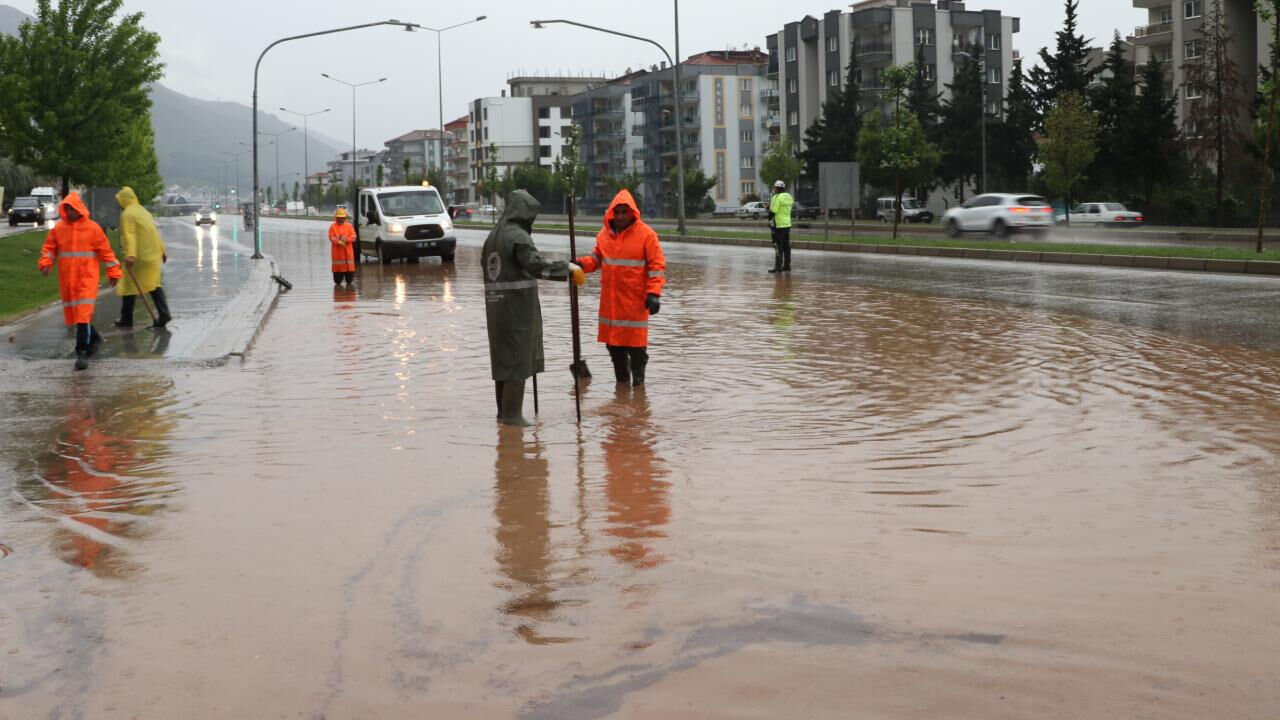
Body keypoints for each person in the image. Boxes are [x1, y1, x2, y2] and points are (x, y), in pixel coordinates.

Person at [482, 189, 585, 426]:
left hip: (496, 309)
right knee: (517, 361)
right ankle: (512, 417)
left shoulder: (493, 237)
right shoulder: (518, 237)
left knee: (503, 362)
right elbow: (535, 264)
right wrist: (567, 269)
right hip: (517, 309)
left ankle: (502, 415)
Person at [575, 189, 666, 386]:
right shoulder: (604, 236)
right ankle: (623, 390)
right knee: (615, 349)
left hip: (634, 305)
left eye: (624, 212)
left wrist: (654, 294)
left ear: (632, 212)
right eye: (616, 212)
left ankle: (638, 388)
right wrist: (581, 264)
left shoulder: (647, 235)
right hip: (612, 306)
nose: (620, 216)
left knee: (637, 351)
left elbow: (656, 267)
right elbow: (596, 259)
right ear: (611, 213)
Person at [38, 193, 122, 371]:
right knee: (78, 315)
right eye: (67, 208)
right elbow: (50, 249)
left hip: (87, 278)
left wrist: (114, 272)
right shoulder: (59, 229)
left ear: (79, 209)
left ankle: (82, 352)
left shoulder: (92, 229)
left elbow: (106, 252)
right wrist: (45, 264)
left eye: (72, 209)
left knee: (82, 313)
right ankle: (94, 338)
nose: (70, 212)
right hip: (68, 280)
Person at [114, 186, 170, 329]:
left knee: (128, 286)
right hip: (153, 254)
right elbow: (154, 232)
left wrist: (130, 255)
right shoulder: (143, 211)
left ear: (123, 200)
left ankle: (126, 319)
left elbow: (130, 235)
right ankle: (164, 313)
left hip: (139, 257)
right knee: (154, 284)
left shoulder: (127, 214)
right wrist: (162, 251)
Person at [768, 179, 795, 274]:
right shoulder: (789, 197)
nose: (774, 189)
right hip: (787, 224)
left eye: (775, 187)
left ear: (778, 188)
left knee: (777, 246)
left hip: (778, 225)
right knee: (786, 246)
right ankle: (787, 266)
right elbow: (783, 209)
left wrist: (769, 219)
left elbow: (773, 211)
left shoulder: (777, 197)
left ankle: (778, 267)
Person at [329, 208, 356, 286]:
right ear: (336, 218)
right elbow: (331, 237)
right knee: (337, 282)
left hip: (349, 261)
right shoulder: (332, 227)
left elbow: (354, 236)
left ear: (345, 218)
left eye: (342, 218)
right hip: (338, 261)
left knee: (349, 281)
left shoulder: (349, 226)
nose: (341, 219)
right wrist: (339, 241)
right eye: (339, 218)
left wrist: (346, 239)